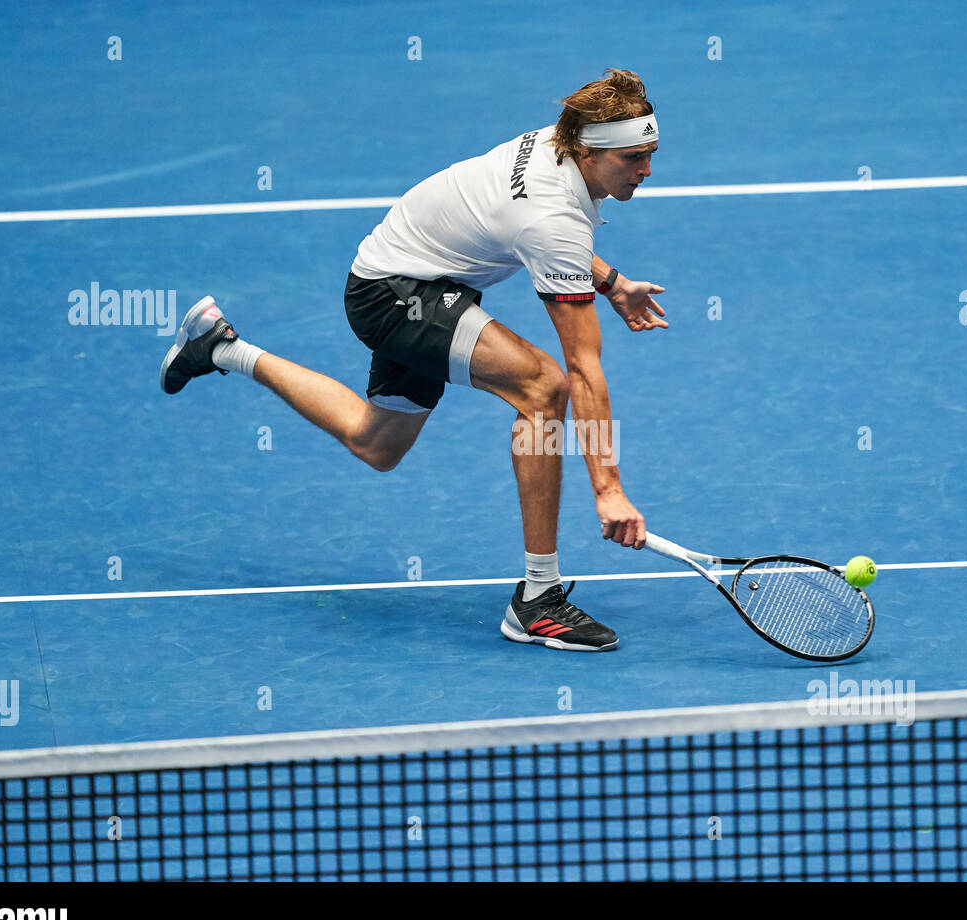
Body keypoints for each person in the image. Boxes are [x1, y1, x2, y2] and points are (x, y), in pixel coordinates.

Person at [160, 68, 666, 652]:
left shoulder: (564, 141)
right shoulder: (549, 215)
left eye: (650, 154)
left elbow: (555, 242)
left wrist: (612, 282)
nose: (647, 170)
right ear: (587, 150)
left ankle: (221, 346)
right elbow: (583, 366)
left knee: (377, 444)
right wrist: (608, 489)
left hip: (413, 276)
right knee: (544, 387)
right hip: (393, 293)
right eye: (633, 158)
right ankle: (538, 600)